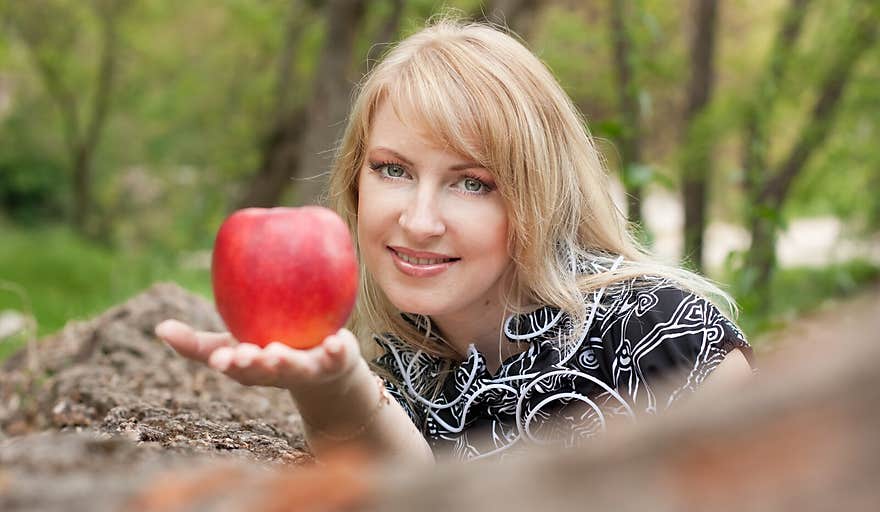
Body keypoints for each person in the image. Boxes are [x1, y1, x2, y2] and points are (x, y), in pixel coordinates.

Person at [156, 17, 753, 465]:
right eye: (393, 169)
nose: (419, 221)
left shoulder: (664, 338)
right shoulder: (416, 366)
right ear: (356, 182)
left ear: (534, 195)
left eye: (471, 183)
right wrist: (330, 389)